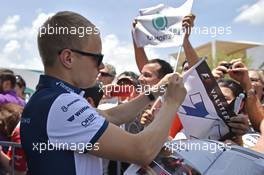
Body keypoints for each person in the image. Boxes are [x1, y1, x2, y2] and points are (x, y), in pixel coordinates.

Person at [20, 11, 186, 175]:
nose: (100, 67)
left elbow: (112, 116)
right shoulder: (61, 103)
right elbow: (141, 151)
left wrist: (155, 92)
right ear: (68, 58)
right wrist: (172, 102)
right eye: (97, 58)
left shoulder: (50, 98)